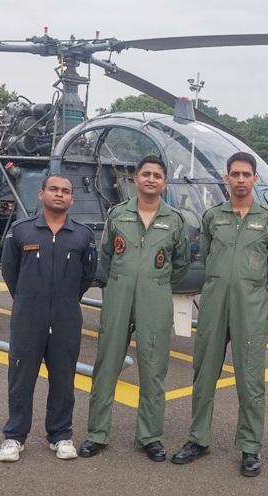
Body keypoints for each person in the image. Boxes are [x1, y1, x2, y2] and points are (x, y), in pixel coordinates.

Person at [171, 151, 268, 477]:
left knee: (250, 379)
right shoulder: (212, 217)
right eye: (234, 174)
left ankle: (250, 448)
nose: (239, 179)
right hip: (214, 303)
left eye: (245, 174)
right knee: (204, 372)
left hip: (251, 306)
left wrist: (247, 282)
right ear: (227, 178)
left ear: (254, 179)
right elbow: (207, 253)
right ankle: (198, 439)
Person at [79, 156, 189, 462]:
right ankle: (97, 433)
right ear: (136, 179)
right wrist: (122, 280)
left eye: (157, 175)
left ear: (164, 183)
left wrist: (156, 282)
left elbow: (179, 264)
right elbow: (105, 257)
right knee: (106, 365)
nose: (151, 179)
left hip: (156, 297)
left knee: (154, 369)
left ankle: (150, 436)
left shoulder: (175, 220)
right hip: (118, 294)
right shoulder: (118, 215)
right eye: (146, 174)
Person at [0, 174, 97, 462]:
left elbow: (87, 276)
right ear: (41, 194)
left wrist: (64, 301)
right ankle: (14, 436)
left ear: (72, 199)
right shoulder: (21, 231)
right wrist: (30, 300)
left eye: (65, 191)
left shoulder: (82, 235)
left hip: (66, 317)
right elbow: (10, 272)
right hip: (28, 316)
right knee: (21, 376)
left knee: (64, 379)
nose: (59, 194)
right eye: (53, 189)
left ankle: (60, 435)